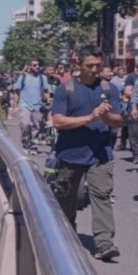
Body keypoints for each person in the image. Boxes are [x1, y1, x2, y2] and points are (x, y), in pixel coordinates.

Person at [51, 46, 122, 261]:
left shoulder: (109, 89)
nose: (94, 70)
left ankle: (104, 242)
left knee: (101, 194)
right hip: (70, 154)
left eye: (98, 66)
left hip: (100, 154)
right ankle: (66, 233)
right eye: (89, 65)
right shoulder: (66, 90)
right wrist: (90, 118)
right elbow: (58, 121)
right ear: (78, 66)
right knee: (66, 197)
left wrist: (106, 115)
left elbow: (118, 121)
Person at [13, 59, 50, 154]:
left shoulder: (43, 78)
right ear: (29, 67)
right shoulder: (23, 77)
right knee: (25, 124)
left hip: (38, 106)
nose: (37, 66)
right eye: (34, 65)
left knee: (36, 127)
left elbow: (46, 91)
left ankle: (33, 145)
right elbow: (17, 92)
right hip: (25, 105)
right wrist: (14, 106)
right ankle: (25, 143)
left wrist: (48, 102)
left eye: (38, 65)